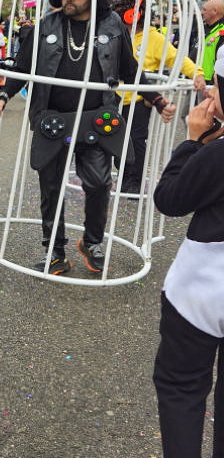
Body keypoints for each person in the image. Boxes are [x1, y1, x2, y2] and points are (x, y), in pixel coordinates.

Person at [0, 0, 176, 275]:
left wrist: (158, 101)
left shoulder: (114, 25)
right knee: (51, 187)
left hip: (97, 121)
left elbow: (130, 71)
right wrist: (3, 97)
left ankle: (91, 242)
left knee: (99, 183)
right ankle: (55, 250)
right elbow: (21, 67)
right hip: (52, 121)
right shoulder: (45, 25)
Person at [152, 56, 224, 458]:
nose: (209, 93)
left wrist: (192, 141)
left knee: (181, 386)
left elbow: (170, 199)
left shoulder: (217, 156)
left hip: (203, 291)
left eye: (216, 85)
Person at [111, 0, 206, 193]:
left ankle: (134, 181)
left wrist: (197, 73)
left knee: (136, 140)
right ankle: (122, 174)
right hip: (114, 99)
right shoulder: (115, 35)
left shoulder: (153, 39)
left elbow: (176, 58)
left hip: (139, 99)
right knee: (114, 139)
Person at [199, 0, 224, 84]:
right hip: (197, 78)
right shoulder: (202, 27)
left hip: (211, 83)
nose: (202, 12)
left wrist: (215, 84)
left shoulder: (222, 31)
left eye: (204, 9)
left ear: (215, 11)